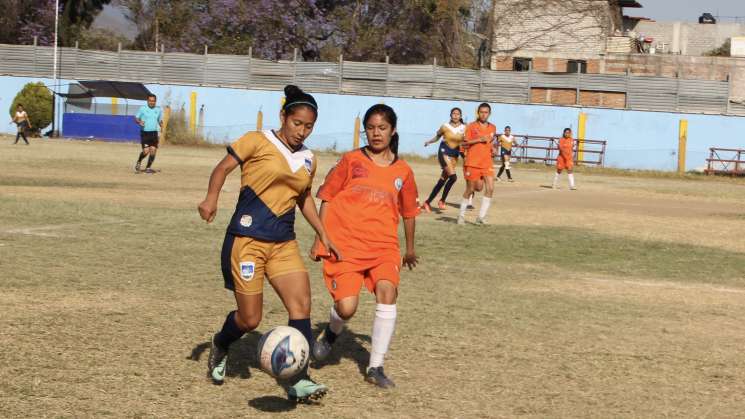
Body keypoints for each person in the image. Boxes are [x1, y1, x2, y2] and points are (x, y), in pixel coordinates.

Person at [197, 85, 338, 402]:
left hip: (283, 243)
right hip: (247, 241)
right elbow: (222, 168)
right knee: (250, 319)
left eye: (309, 126)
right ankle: (221, 343)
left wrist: (323, 234)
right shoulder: (257, 140)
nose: (301, 131)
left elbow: (303, 199)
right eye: (297, 123)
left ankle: (298, 380)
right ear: (283, 116)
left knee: (300, 306)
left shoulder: (308, 160)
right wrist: (211, 198)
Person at [310, 104, 419, 389]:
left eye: (382, 128)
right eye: (371, 128)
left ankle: (375, 366)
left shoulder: (404, 171)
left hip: (383, 246)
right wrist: (321, 236)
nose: (376, 133)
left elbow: (408, 212)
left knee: (387, 292)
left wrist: (410, 248)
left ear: (392, 131)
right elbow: (328, 196)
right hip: (346, 244)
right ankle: (332, 333)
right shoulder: (350, 160)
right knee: (346, 308)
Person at [457, 103, 496, 225]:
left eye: (486, 112)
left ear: (489, 113)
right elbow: (463, 144)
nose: (484, 114)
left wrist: (494, 149)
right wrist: (479, 140)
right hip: (472, 162)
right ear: (478, 113)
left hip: (487, 162)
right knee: (473, 188)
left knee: (490, 188)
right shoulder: (470, 126)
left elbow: (491, 143)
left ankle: (481, 217)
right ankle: (461, 216)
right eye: (481, 112)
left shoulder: (493, 128)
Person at [421, 107, 465, 211]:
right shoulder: (445, 126)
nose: (455, 115)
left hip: (455, 154)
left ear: (460, 116)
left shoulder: (464, 128)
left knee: (443, 180)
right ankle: (442, 200)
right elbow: (437, 137)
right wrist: (429, 141)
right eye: (453, 113)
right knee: (453, 178)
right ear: (450, 115)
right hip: (444, 152)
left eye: (457, 114)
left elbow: (465, 142)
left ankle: (427, 203)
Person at [134, 94, 163, 173]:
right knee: (146, 151)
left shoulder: (158, 110)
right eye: (150, 101)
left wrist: (161, 125)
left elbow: (160, 120)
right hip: (145, 133)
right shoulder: (142, 109)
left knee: (153, 150)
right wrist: (139, 122)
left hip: (154, 133)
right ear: (147, 101)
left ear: (155, 101)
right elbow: (136, 118)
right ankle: (139, 161)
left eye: (153, 101)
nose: (151, 102)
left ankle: (148, 168)